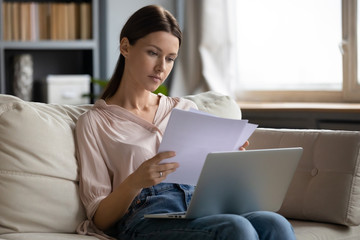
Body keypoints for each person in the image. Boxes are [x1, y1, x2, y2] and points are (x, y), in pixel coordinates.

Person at [75, 5, 296, 240]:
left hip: (199, 208)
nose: (162, 67)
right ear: (125, 47)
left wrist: (229, 162)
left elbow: (210, 184)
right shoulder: (94, 123)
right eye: (153, 53)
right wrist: (134, 181)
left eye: (170, 59)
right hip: (145, 217)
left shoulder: (184, 109)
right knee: (235, 229)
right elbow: (99, 217)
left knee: (275, 223)